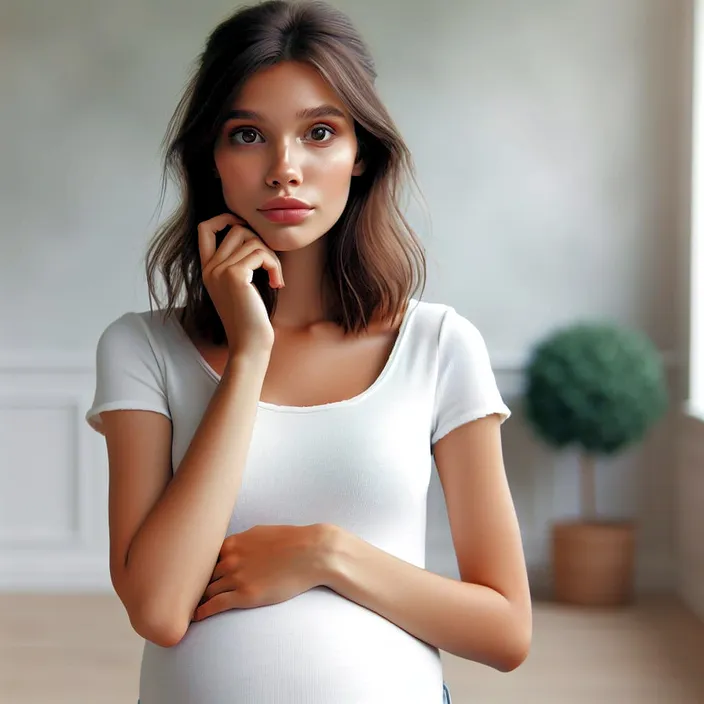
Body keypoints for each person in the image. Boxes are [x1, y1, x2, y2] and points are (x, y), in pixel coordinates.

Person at [85, 1, 532, 702]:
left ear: (361, 155)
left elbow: (506, 632)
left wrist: (326, 554)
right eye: (247, 135)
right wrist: (249, 356)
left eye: (319, 132)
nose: (284, 168)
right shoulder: (142, 349)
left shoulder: (438, 345)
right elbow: (159, 609)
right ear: (214, 159)